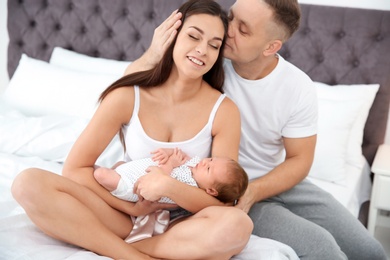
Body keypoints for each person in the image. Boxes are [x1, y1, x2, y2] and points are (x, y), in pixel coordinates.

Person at [125, 0, 388, 259]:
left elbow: (300, 160)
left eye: (244, 29)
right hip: (226, 188)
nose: (228, 30)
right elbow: (130, 87)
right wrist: (153, 52)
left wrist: (256, 190)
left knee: (370, 251)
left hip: (276, 183)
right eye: (232, 17)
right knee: (324, 249)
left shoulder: (297, 86)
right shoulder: (206, 60)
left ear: (271, 47)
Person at [11, 1, 253, 260]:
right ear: (172, 35)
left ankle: (128, 250)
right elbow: (75, 169)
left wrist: (168, 185)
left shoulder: (224, 110)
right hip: (123, 216)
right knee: (28, 184)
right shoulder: (127, 96)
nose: (202, 50)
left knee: (238, 225)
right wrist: (136, 209)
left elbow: (223, 202)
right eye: (193, 36)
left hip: (183, 226)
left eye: (214, 45)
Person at [94, 147, 249, 204]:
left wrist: (170, 164)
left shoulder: (190, 186)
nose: (204, 162)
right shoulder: (194, 163)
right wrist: (167, 153)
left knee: (101, 174)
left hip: (133, 184)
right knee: (118, 164)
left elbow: (159, 179)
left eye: (208, 169)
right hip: (130, 168)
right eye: (210, 159)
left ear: (211, 191)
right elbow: (178, 154)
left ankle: (94, 187)